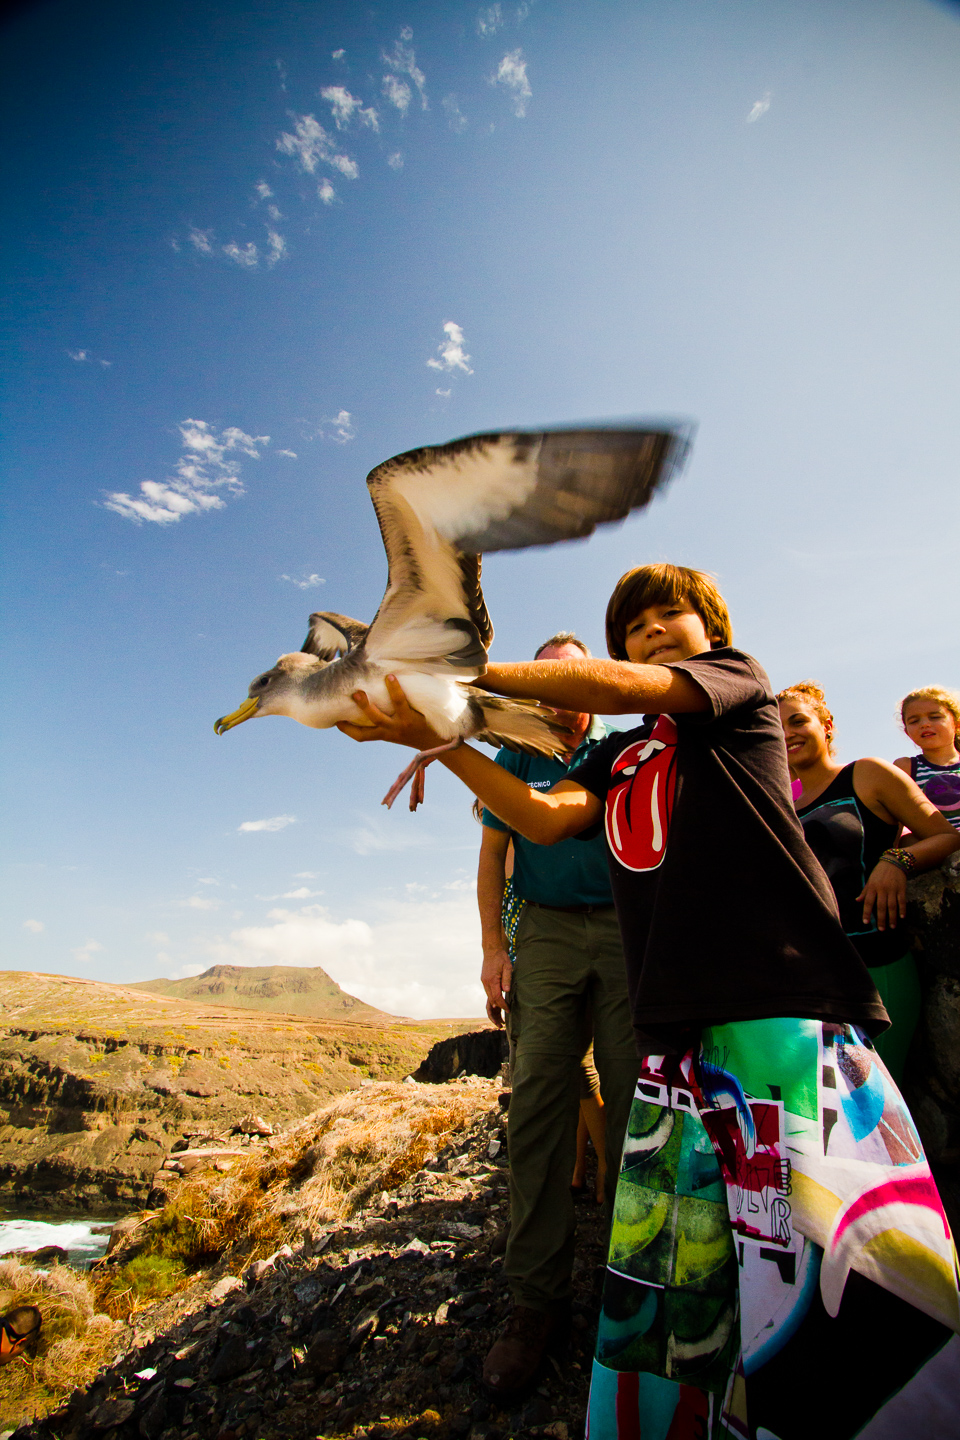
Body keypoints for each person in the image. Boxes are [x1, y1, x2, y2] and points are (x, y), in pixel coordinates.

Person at [338, 563, 960, 1438]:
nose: (654, 630)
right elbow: (544, 819)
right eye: (636, 625)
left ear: (713, 631)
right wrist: (451, 743)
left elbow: (620, 686)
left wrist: (458, 677)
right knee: (692, 1272)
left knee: (839, 1268)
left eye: (672, 613)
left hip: (777, 1006)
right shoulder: (621, 754)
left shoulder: (737, 689)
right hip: (678, 1024)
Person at [475, 632, 639, 1398]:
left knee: (636, 1096)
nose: (557, 701)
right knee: (540, 1095)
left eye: (570, 684)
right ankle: (535, 1299)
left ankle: (636, 1279)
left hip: (626, 930)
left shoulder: (626, 744)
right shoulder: (515, 754)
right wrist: (493, 949)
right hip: (543, 931)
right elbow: (491, 858)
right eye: (543, 688)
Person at [778, 681, 959, 1084]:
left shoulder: (868, 774)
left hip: (878, 970)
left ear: (826, 725)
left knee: (875, 1101)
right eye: (776, 728)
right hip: (812, 980)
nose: (787, 734)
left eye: (798, 721)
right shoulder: (781, 807)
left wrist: (897, 860)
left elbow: (945, 836)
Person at [894, 685, 960, 831]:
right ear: (907, 732)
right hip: (937, 841)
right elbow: (897, 820)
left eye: (935, 717)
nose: (925, 724)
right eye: (914, 721)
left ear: (956, 723)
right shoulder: (906, 767)